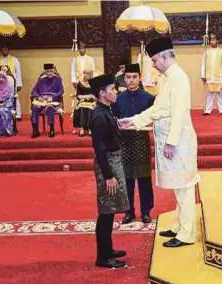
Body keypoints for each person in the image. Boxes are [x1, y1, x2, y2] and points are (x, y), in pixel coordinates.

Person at [119, 37, 200, 248]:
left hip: (179, 141)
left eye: (155, 60)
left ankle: (187, 233)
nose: (153, 65)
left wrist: (171, 142)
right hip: (170, 139)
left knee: (184, 186)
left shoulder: (178, 77)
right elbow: (159, 109)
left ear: (164, 57)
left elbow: (180, 111)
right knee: (177, 185)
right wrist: (134, 121)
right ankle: (179, 225)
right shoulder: (167, 78)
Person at [89, 73, 129, 269]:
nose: (116, 92)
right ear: (102, 93)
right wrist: (109, 176)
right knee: (106, 211)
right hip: (108, 165)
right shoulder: (98, 116)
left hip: (113, 162)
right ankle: (103, 257)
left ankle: (107, 249)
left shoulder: (106, 111)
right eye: (112, 89)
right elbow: (100, 149)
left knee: (111, 209)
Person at [112, 63, 155, 224]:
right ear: (124, 79)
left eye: (134, 77)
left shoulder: (148, 98)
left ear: (139, 78)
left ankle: (146, 211)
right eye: (128, 77)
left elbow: (153, 118)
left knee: (144, 179)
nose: (131, 80)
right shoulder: (118, 98)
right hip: (124, 143)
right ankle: (128, 212)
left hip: (141, 142)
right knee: (127, 180)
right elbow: (114, 118)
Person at [31, 63, 64, 138]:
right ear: (45, 72)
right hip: (42, 101)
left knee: (49, 107)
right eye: (47, 71)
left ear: (53, 71)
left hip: (52, 101)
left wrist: (52, 97)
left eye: (51, 71)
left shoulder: (58, 79)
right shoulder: (41, 80)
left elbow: (61, 91)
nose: (49, 73)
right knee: (34, 107)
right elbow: (33, 91)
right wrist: (38, 97)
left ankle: (51, 129)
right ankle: (35, 130)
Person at [0, 44, 23, 120]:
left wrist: (19, 84)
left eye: (6, 49)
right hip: (1, 82)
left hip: (12, 82)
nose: (4, 51)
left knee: (15, 97)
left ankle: (17, 115)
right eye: (3, 50)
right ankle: (4, 113)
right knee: (1, 97)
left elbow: (18, 72)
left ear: (8, 50)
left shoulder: (14, 59)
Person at [201, 34, 222, 116]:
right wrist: (203, 75)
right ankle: (207, 110)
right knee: (210, 94)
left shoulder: (221, 51)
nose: (212, 41)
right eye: (211, 40)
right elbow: (203, 64)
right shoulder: (206, 52)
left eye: (214, 40)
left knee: (220, 94)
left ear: (217, 41)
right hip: (209, 76)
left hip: (219, 76)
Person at [72, 70, 96, 137]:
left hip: (92, 101)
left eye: (87, 73)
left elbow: (97, 94)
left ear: (91, 75)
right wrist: (85, 97)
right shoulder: (80, 83)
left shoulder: (94, 83)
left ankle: (90, 128)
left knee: (90, 108)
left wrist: (91, 96)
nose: (85, 75)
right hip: (82, 101)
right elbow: (78, 95)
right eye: (84, 73)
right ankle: (82, 128)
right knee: (82, 108)